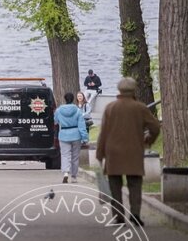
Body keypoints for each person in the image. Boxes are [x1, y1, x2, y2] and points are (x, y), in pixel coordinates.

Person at [95, 77, 161, 226]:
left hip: (113, 153)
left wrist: (99, 154)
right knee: (135, 183)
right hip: (134, 150)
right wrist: (148, 140)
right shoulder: (140, 108)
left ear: (119, 90)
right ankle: (136, 214)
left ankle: (118, 216)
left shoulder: (110, 108)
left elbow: (103, 133)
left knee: (115, 185)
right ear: (134, 90)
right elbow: (155, 127)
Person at [54, 92, 89, 184]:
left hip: (64, 134)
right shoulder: (78, 110)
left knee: (65, 155)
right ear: (73, 99)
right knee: (75, 157)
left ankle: (65, 172)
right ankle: (74, 177)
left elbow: (55, 121)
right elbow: (82, 126)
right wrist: (84, 138)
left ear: (65, 99)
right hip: (76, 134)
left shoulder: (58, 110)